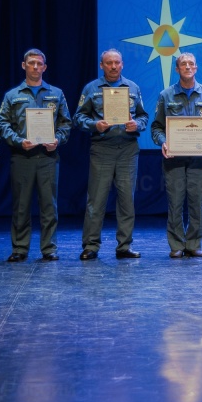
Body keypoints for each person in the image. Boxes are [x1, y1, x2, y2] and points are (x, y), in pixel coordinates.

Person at [74, 48, 149, 260]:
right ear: (102, 65)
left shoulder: (132, 87)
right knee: (96, 201)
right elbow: (78, 118)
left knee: (126, 201)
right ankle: (91, 246)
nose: (113, 66)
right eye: (109, 63)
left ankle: (124, 246)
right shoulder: (92, 88)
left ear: (122, 64)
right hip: (102, 149)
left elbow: (144, 117)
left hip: (127, 150)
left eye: (117, 62)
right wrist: (94, 124)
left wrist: (137, 125)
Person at [0, 48, 72, 262]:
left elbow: (66, 123)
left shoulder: (56, 93)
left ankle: (49, 248)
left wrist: (58, 139)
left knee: (49, 205)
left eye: (40, 64)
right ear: (24, 65)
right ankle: (20, 248)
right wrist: (19, 141)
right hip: (22, 157)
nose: (36, 67)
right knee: (21, 206)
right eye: (31, 63)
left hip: (48, 158)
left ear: (45, 67)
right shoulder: (12, 95)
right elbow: (2, 124)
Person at [151, 52, 202, 258]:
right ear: (177, 69)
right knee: (175, 202)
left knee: (197, 202)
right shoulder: (166, 95)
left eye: (191, 63)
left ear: (197, 68)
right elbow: (157, 127)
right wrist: (163, 142)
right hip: (173, 159)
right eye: (183, 64)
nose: (188, 67)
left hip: (200, 158)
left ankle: (193, 243)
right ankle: (176, 245)